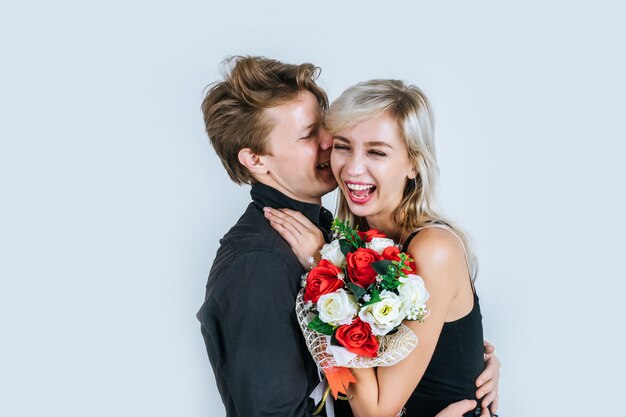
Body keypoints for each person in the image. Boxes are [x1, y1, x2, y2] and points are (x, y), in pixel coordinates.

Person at [197, 56, 500, 417]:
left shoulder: (338, 239)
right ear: (257, 160)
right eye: (311, 134)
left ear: (413, 162)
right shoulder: (257, 262)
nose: (331, 144)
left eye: (325, 126)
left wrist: (469, 361)